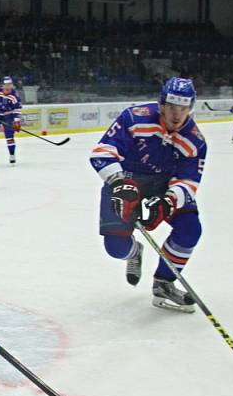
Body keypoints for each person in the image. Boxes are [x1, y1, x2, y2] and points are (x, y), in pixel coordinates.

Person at [89, 77, 207, 313]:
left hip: (165, 184)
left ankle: (164, 283)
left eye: (183, 108)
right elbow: (102, 152)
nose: (177, 114)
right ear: (162, 104)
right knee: (115, 247)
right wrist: (119, 181)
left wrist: (168, 201)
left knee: (190, 228)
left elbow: (188, 181)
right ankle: (135, 252)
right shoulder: (134, 118)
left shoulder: (194, 140)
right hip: (127, 179)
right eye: (172, 107)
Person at [0, 76, 22, 165]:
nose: (8, 86)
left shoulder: (15, 95)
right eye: (6, 84)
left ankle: (12, 154)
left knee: (9, 136)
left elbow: (17, 108)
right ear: (2, 85)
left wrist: (16, 120)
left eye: (9, 84)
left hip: (8, 115)